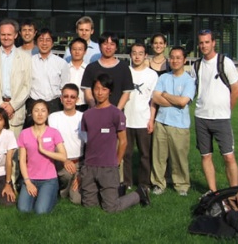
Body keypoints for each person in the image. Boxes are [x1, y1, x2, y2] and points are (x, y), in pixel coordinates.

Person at [80, 74, 150, 212]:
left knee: (111, 208)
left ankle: (139, 194)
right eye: (97, 89)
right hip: (89, 167)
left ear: (110, 92)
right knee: (89, 206)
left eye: (104, 89)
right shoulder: (87, 115)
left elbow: (123, 141)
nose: (100, 92)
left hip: (108, 167)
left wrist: (116, 162)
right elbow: (87, 139)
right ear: (92, 90)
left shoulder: (116, 114)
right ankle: (115, 191)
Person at [192, 29, 238, 193]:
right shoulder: (196, 65)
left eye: (207, 42)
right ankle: (213, 192)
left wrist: (227, 111)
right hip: (201, 117)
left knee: (228, 156)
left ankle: (234, 192)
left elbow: (236, 90)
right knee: (205, 156)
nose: (204, 45)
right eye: (201, 42)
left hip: (221, 118)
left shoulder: (224, 62)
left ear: (213, 43)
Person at [150, 46, 195, 196]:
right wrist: (174, 100)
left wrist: (166, 95)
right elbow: (155, 97)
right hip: (161, 122)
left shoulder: (189, 80)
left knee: (179, 158)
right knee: (159, 156)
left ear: (184, 60)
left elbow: (183, 102)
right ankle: (158, 183)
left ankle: (181, 185)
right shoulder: (163, 77)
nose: (174, 61)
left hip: (179, 125)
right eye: (172, 57)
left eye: (178, 58)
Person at [0, 19, 32, 137]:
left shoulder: (25, 58)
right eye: (3, 34)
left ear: (15, 35)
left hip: (15, 111)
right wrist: (0, 105)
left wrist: (12, 106)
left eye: (9, 34)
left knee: (13, 152)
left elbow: (27, 86)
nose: (6, 37)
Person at [17, 100, 67, 214]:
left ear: (48, 113)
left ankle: (49, 196)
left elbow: (63, 156)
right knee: (23, 210)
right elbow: (23, 161)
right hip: (30, 179)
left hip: (48, 180)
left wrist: (43, 150)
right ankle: (38, 196)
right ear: (31, 113)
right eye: (36, 111)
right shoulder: (24, 133)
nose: (40, 114)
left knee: (41, 211)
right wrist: (28, 182)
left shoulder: (54, 133)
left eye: (43, 111)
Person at [122, 43, 158, 189]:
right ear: (130, 55)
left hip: (143, 120)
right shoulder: (125, 72)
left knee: (145, 155)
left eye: (140, 53)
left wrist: (151, 119)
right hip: (126, 120)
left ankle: (144, 183)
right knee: (127, 154)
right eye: (134, 53)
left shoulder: (152, 75)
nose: (137, 56)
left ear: (145, 56)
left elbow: (153, 100)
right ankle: (127, 182)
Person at [48, 84, 85, 204]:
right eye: (66, 96)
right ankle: (62, 190)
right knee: (67, 175)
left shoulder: (83, 117)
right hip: (62, 161)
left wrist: (81, 175)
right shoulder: (54, 117)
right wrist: (65, 161)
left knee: (77, 200)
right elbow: (55, 142)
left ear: (77, 99)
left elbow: (88, 143)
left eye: (72, 97)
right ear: (61, 99)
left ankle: (75, 182)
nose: (69, 99)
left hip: (80, 162)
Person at [26, 28, 68, 125]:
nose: (44, 43)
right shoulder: (29, 62)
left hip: (54, 104)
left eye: (48, 40)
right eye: (41, 40)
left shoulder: (61, 63)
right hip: (34, 103)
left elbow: (64, 87)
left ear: (53, 43)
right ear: (36, 43)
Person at [81, 31, 133, 110]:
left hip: (116, 115)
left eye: (112, 44)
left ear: (116, 47)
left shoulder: (124, 67)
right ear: (100, 46)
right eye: (105, 44)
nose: (108, 47)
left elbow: (126, 93)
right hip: (95, 113)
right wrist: (95, 108)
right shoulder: (91, 67)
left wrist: (116, 112)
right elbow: (87, 92)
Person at [61, 37, 89, 112]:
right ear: (70, 51)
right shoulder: (64, 68)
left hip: (84, 106)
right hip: (66, 105)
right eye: (74, 49)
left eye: (80, 49)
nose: (77, 52)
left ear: (85, 51)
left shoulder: (88, 69)